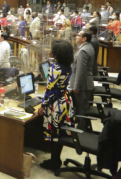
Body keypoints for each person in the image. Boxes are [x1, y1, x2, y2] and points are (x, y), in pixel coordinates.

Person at [38, 39, 75, 171]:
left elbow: (50, 89)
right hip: (65, 101)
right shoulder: (67, 65)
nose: (49, 51)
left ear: (57, 53)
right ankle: (56, 159)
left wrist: (42, 105)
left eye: (52, 49)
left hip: (56, 104)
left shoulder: (55, 67)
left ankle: (54, 162)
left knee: (54, 133)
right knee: (60, 132)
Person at [70, 30, 95, 130]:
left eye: (78, 35)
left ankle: (80, 133)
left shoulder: (83, 51)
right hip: (85, 83)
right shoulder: (88, 47)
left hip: (82, 85)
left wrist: (76, 87)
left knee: (81, 111)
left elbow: (80, 70)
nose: (76, 37)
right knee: (82, 109)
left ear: (84, 38)